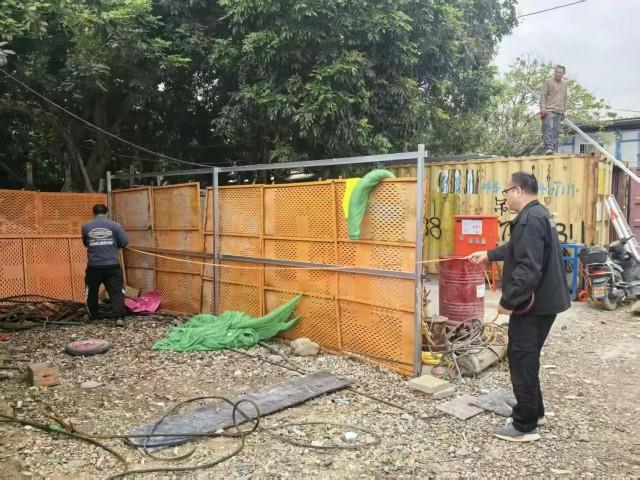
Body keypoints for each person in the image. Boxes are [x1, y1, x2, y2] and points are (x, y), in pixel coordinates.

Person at [469, 172, 570, 442]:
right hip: (547, 302)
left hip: (533, 306)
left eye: (506, 192)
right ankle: (535, 412)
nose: (505, 198)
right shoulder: (539, 214)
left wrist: (508, 301)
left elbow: (528, 268)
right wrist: (489, 254)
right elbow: (518, 247)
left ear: (518, 190)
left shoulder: (529, 220)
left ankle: (525, 426)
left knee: (521, 359)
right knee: (528, 357)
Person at [81, 204, 129, 323]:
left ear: (93, 213)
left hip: (94, 267)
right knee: (116, 292)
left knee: (92, 291)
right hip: (112, 266)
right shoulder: (115, 225)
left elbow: (86, 243)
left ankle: (93, 315)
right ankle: (119, 317)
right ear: (107, 213)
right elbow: (124, 242)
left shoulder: (86, 227)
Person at [540, 65, 568, 155]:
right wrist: (542, 107)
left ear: (563, 73)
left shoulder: (564, 85)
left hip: (559, 111)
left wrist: (565, 110)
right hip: (548, 109)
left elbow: (565, 98)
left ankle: (554, 149)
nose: (557, 74)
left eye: (560, 72)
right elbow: (543, 95)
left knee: (556, 131)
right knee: (548, 128)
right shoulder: (548, 82)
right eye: (556, 72)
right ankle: (548, 147)